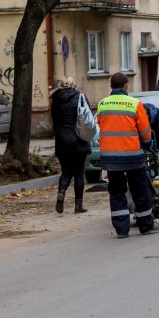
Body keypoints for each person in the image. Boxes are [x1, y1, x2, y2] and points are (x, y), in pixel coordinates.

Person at [97, 72, 159, 238]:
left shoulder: (102, 104)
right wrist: (148, 145)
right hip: (132, 156)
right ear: (126, 86)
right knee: (140, 190)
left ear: (111, 86)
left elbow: (101, 127)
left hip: (110, 158)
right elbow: (145, 131)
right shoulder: (134, 104)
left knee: (117, 192)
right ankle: (145, 226)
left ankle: (121, 230)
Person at [49, 76, 91, 215]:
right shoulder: (80, 97)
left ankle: (61, 193)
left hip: (62, 140)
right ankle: (78, 206)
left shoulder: (55, 100)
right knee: (79, 173)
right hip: (78, 138)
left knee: (66, 171)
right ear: (74, 84)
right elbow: (87, 116)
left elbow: (54, 121)